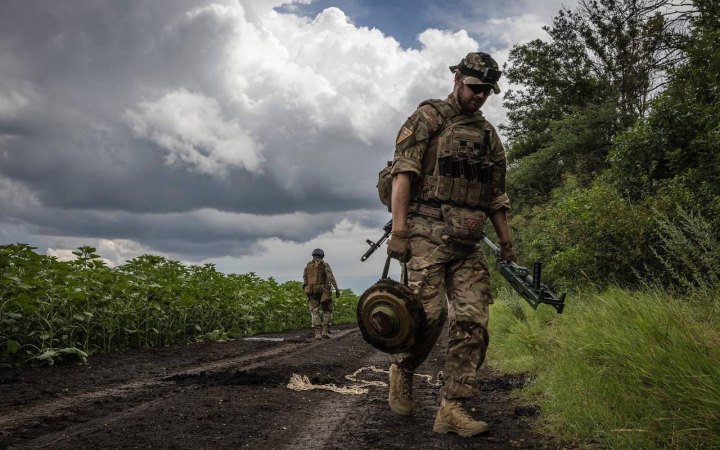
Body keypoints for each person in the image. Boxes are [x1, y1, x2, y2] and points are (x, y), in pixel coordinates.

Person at [384, 52, 517, 437]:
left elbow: (496, 196)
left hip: (468, 240)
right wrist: (400, 231)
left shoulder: (489, 136)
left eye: (487, 91)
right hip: (425, 231)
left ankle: (452, 408)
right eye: (475, 88)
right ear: (458, 78)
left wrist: (507, 244)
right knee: (428, 316)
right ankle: (404, 367)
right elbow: (403, 174)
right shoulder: (426, 118)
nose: (480, 97)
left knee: (472, 320)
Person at [302, 248, 341, 340]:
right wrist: (336, 289)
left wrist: (307, 290)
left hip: (312, 292)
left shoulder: (307, 267)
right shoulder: (325, 265)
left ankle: (318, 334)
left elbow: (304, 280)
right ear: (322, 256)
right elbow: (331, 277)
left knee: (314, 311)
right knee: (327, 310)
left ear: (313, 256)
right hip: (324, 291)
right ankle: (325, 332)